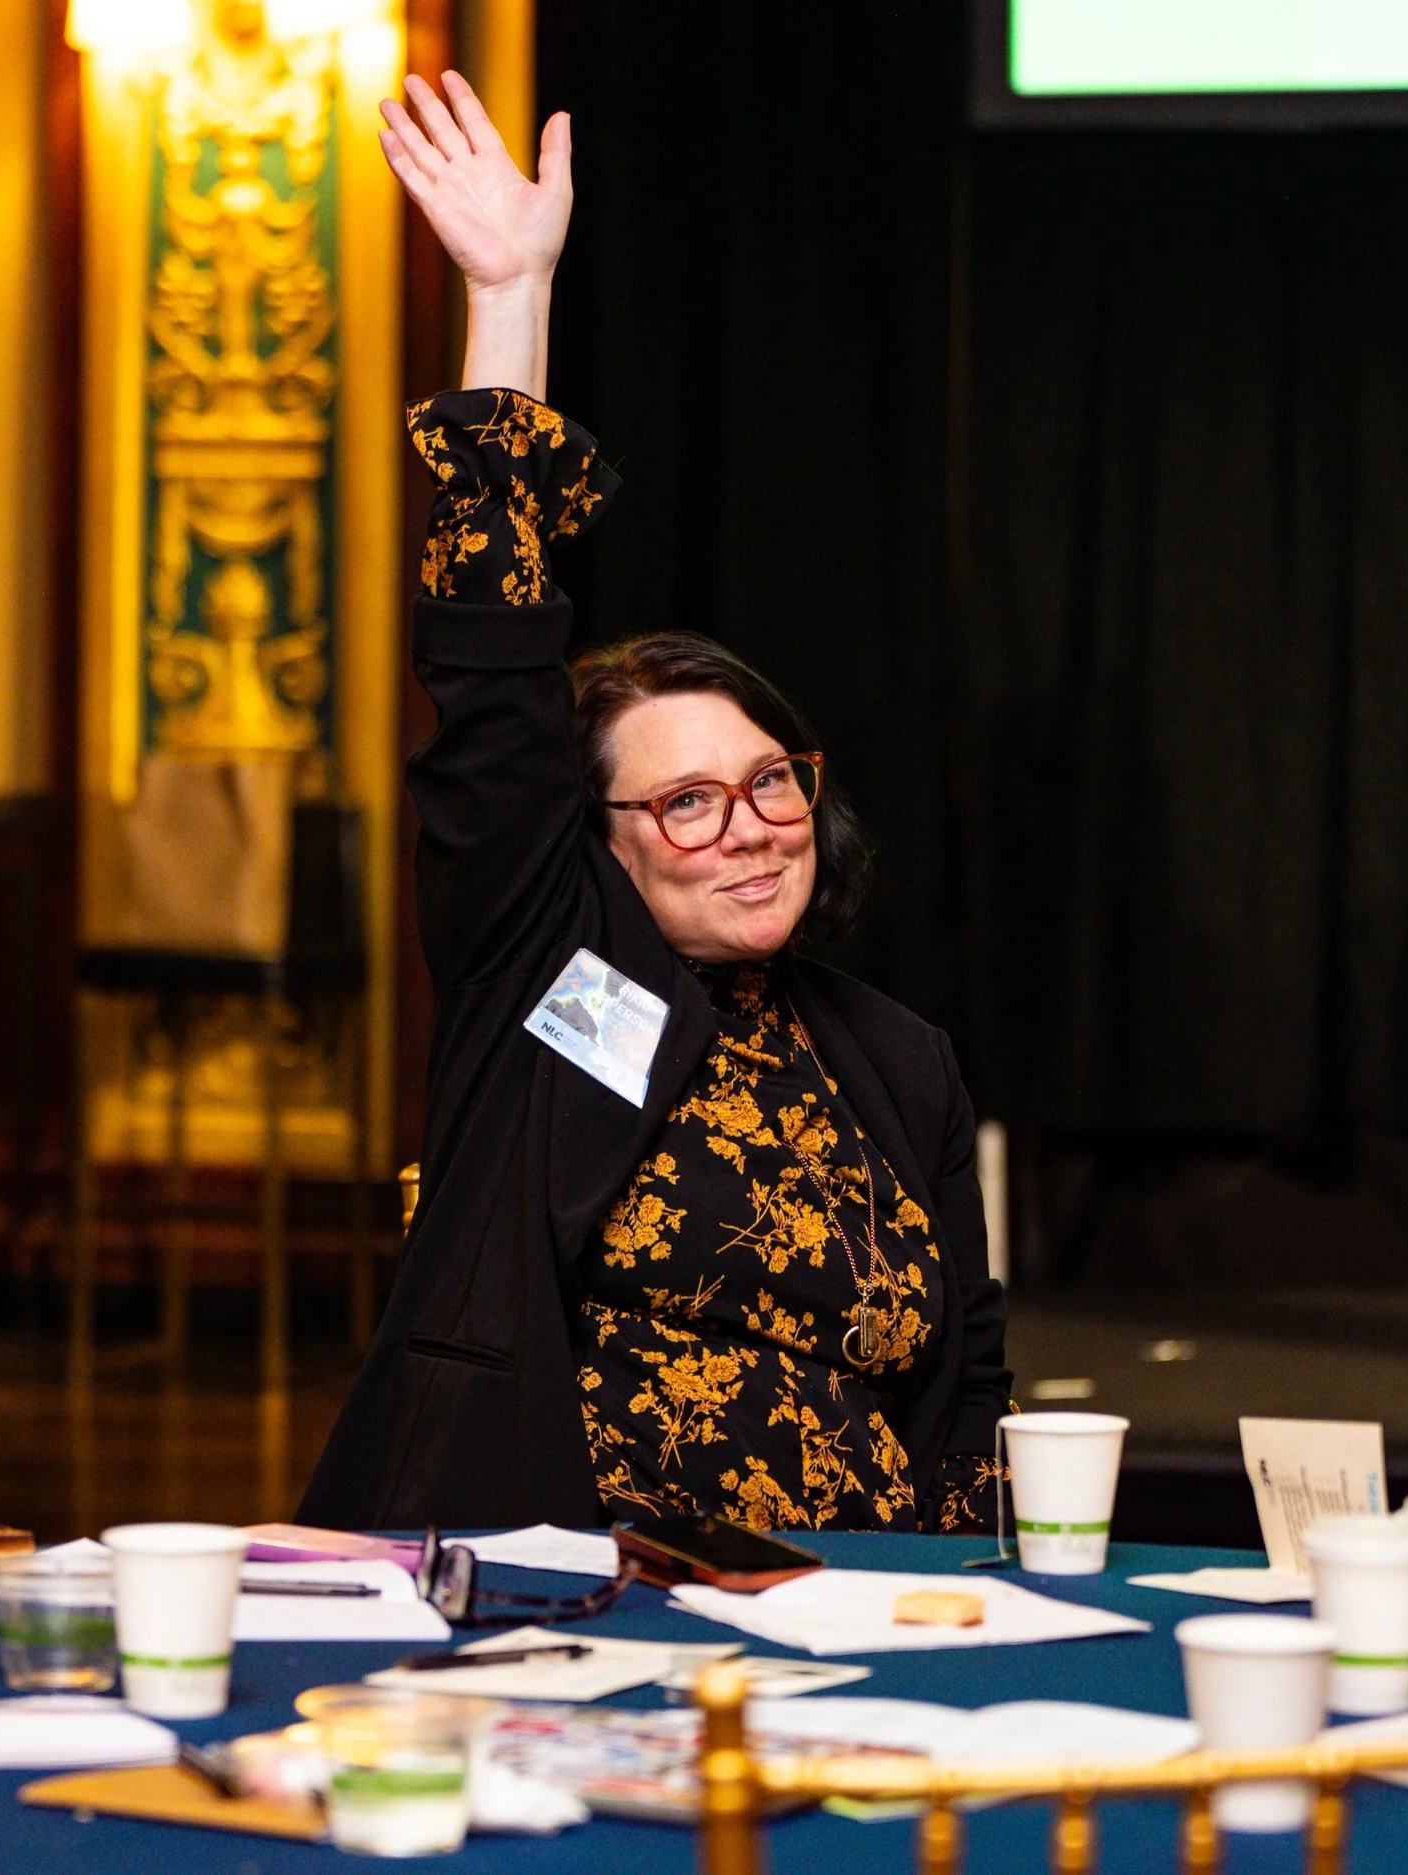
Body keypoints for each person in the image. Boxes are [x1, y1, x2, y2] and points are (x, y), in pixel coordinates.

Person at [299, 74, 1011, 1535]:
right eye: (688, 801)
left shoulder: (896, 1061)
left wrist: (978, 1605)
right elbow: (493, 683)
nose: (752, 822)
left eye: (768, 779)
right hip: (574, 1600)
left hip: (859, 1622)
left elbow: (965, 1388)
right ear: (600, 842)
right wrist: (512, 300)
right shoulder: (542, 979)